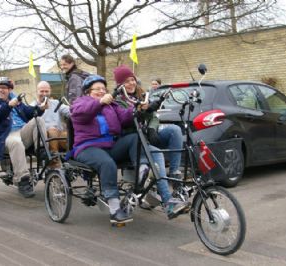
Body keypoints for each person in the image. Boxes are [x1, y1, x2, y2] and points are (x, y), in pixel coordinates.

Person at [113, 65, 188, 218]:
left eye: (132, 80)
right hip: (132, 141)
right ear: (120, 85)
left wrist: (153, 128)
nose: (131, 83)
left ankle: (174, 176)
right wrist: (139, 110)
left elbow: (153, 116)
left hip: (145, 136)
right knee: (158, 153)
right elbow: (123, 121)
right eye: (126, 81)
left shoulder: (141, 95)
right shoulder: (118, 101)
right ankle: (168, 202)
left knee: (175, 130)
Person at [70, 75, 138, 224]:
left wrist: (136, 109)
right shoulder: (79, 102)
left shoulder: (111, 105)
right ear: (88, 92)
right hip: (87, 147)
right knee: (107, 163)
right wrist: (100, 102)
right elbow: (82, 112)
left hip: (110, 146)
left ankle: (142, 171)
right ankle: (114, 210)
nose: (101, 91)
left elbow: (125, 117)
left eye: (103, 89)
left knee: (134, 137)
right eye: (97, 89)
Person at [0, 77, 48, 198]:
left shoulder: (16, 100)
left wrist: (40, 108)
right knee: (16, 143)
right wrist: (8, 105)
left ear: (10, 89)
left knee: (38, 120)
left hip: (21, 131)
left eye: (4, 88)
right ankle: (22, 180)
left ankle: (42, 151)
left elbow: (28, 112)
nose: (0, 90)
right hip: (4, 136)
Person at [31, 81, 70, 168]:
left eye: (46, 91)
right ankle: (54, 162)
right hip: (43, 137)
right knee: (52, 131)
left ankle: (73, 160)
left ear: (50, 91)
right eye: (41, 91)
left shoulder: (55, 103)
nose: (44, 94)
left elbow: (70, 111)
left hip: (59, 135)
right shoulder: (32, 106)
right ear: (37, 91)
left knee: (71, 134)